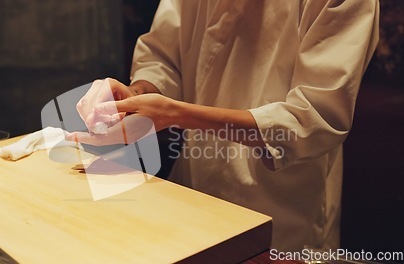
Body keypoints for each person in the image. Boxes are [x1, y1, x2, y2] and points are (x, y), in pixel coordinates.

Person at [67, 0, 379, 251]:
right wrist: (137, 95)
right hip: (192, 195)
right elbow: (163, 56)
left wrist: (174, 114)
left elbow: (313, 118)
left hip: (283, 214)